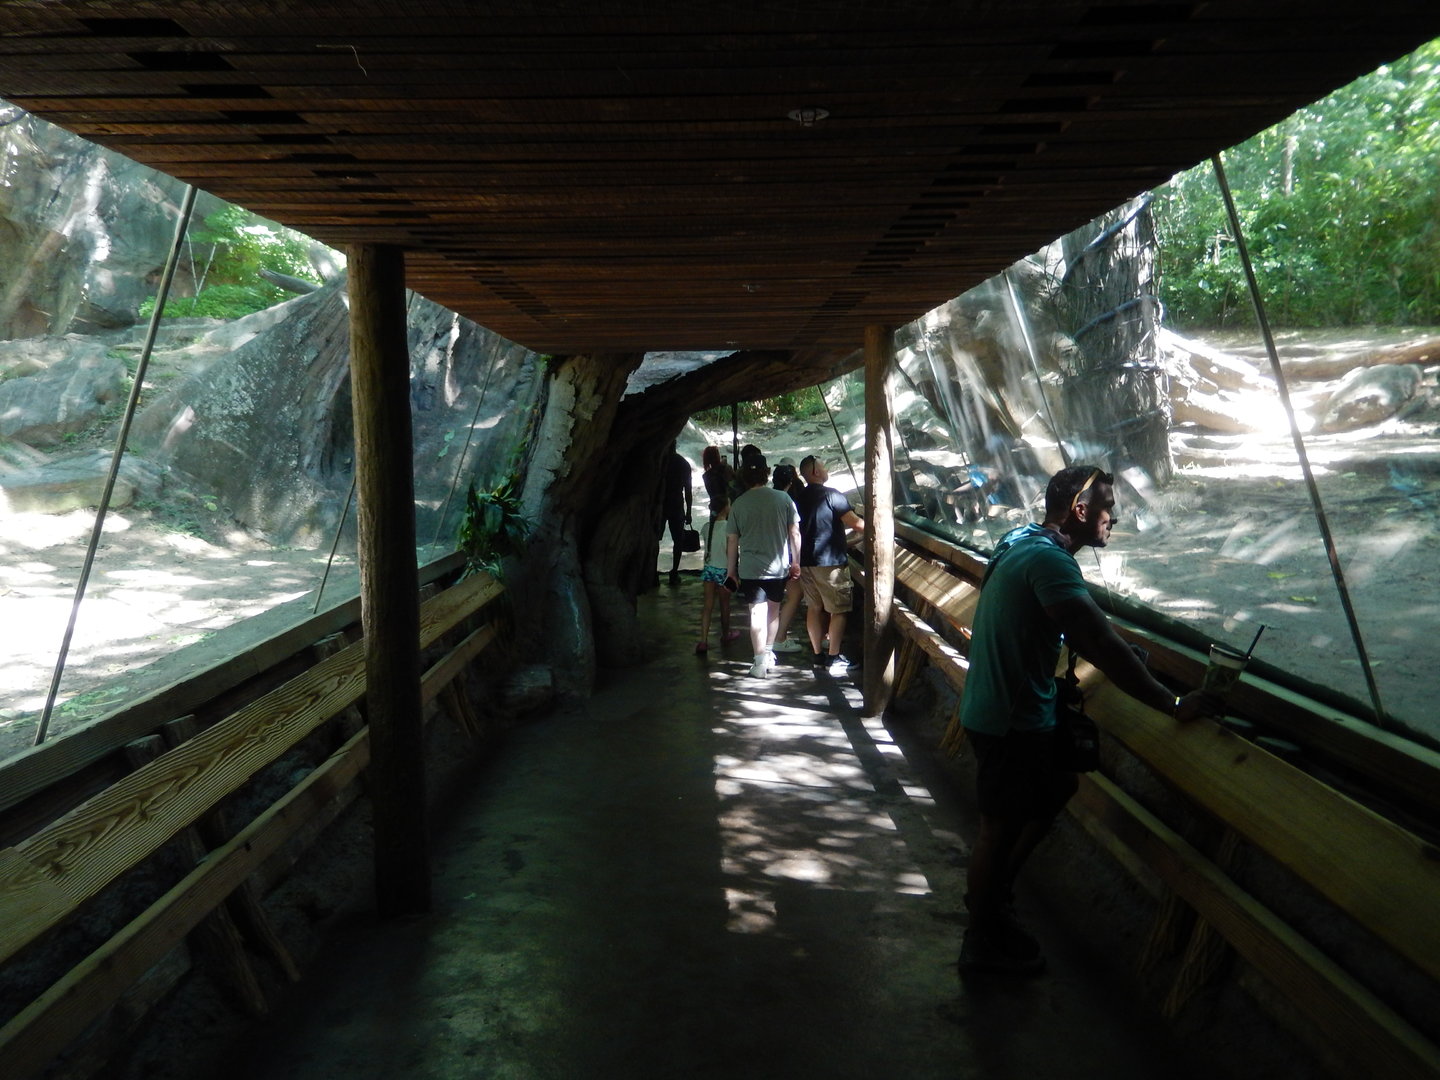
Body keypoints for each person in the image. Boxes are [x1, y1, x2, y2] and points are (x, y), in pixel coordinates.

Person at [958, 465, 1219, 976]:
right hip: (1009, 721)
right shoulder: (1051, 563)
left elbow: (1072, 624)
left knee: (1057, 786)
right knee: (998, 830)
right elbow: (1098, 642)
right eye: (1107, 507)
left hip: (999, 707)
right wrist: (1172, 703)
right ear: (1080, 511)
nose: (1114, 518)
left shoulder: (1022, 539)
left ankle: (995, 903)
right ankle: (983, 936)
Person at [725, 461, 801, 679]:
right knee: (773, 610)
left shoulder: (738, 504)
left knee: (756, 612)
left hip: (750, 568)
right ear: (766, 475)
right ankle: (768, 652)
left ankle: (759, 662)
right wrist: (796, 561)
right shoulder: (783, 498)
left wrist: (731, 571)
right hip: (778, 567)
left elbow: (732, 540)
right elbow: (795, 533)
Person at [794, 455, 865, 674]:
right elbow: (857, 524)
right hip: (830, 564)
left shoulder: (797, 497)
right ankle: (834, 658)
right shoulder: (832, 495)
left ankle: (817, 655)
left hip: (805, 561)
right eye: (823, 466)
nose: (827, 470)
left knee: (814, 608)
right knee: (839, 610)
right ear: (815, 471)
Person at [695, 494, 743, 654]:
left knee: (707, 607)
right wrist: (734, 573)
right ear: (725, 508)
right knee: (725, 605)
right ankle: (725, 634)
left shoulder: (706, 527)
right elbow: (731, 552)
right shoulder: (729, 527)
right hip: (724, 570)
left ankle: (703, 641)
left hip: (709, 570)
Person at [661, 445, 692, 585]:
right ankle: (674, 572)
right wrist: (689, 511)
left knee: (654, 539)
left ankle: (651, 574)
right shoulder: (683, 463)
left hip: (660, 505)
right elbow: (688, 490)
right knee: (678, 541)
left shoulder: (660, 462)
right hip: (676, 504)